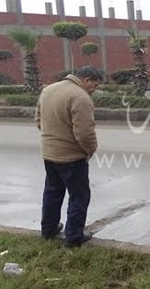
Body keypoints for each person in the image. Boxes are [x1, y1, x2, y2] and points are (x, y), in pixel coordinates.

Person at [35, 66, 103, 247]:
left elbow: (38, 119)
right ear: (86, 80)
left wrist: (52, 140)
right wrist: (90, 151)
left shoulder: (48, 90)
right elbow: (84, 133)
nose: (94, 90)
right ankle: (74, 236)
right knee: (79, 196)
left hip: (49, 154)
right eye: (94, 86)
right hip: (71, 157)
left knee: (52, 191)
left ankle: (48, 229)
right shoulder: (80, 97)